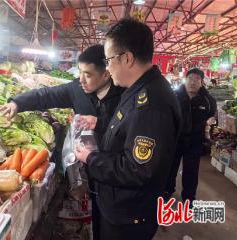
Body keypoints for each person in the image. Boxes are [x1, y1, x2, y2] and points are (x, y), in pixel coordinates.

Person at [0, 44, 124, 240]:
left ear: (106, 75)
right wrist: (17, 103)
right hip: (89, 163)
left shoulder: (123, 94)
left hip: (116, 168)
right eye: (80, 72)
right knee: (96, 210)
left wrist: (100, 123)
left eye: (88, 74)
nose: (81, 79)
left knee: (112, 219)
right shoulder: (77, 90)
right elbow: (46, 95)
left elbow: (129, 127)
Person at [75, 18, 181, 240]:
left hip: (129, 215)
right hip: (119, 206)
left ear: (127, 58)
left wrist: (91, 158)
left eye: (109, 59)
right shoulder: (137, 89)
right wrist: (100, 124)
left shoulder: (152, 104)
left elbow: (138, 169)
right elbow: (129, 133)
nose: (108, 67)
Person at [164, 68, 217, 204]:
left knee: (191, 171)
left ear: (202, 82)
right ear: (185, 80)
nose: (192, 82)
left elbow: (212, 115)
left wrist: (212, 120)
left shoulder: (208, 100)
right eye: (190, 79)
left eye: (196, 79)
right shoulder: (174, 96)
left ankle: (188, 198)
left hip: (195, 140)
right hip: (175, 139)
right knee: (170, 167)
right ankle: (167, 190)